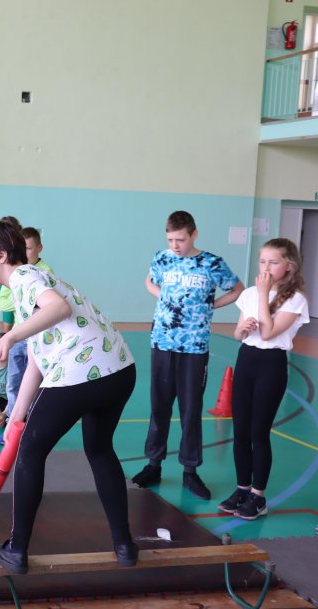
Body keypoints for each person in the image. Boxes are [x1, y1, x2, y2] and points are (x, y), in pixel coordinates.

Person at [0, 219, 138, 575]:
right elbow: (38, 358)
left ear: (2, 256)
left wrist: (8, 336)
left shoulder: (24, 277)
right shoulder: (36, 280)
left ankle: (17, 549)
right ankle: (124, 545)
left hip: (81, 371)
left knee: (31, 452)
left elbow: (58, 309)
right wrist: (16, 413)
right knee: (99, 449)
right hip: (119, 370)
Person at [130, 210, 243, 500]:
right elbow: (149, 281)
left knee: (190, 410)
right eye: (170, 240)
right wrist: (163, 296)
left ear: (194, 234)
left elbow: (237, 289)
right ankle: (153, 465)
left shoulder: (212, 263)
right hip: (162, 342)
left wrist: (211, 305)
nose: (175, 245)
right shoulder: (162, 258)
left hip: (194, 346)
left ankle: (190, 472)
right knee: (159, 406)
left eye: (180, 240)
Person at [218, 239, 309, 520]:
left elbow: (268, 333)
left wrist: (263, 294)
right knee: (240, 431)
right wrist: (243, 329)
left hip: (271, 365)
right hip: (247, 359)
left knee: (258, 432)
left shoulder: (295, 299)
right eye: (262, 262)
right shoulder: (249, 294)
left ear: (289, 266)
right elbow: (238, 334)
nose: (265, 268)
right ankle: (242, 489)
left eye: (273, 262)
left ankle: (258, 497)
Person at [0, 225, 53, 444]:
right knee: (13, 383)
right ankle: (12, 425)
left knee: (35, 387)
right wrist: (24, 297)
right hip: (18, 336)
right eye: (22, 249)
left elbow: (49, 305)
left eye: (28, 248)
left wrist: (24, 297)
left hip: (38, 338)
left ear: (39, 248)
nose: (25, 253)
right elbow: (2, 302)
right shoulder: (16, 272)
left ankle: (29, 428)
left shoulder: (44, 271)